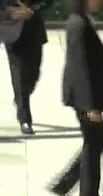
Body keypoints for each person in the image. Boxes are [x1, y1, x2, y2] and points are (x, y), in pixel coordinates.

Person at [47, 0, 103, 196]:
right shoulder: (79, 24)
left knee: (95, 141)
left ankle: (65, 186)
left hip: (84, 96)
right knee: (95, 142)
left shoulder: (82, 21)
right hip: (84, 97)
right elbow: (80, 66)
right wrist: (89, 105)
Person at [0, 0, 51, 134]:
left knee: (34, 75)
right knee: (20, 77)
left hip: (34, 32)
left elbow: (48, 2)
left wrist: (32, 10)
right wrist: (9, 13)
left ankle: (19, 99)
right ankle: (25, 119)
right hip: (13, 35)